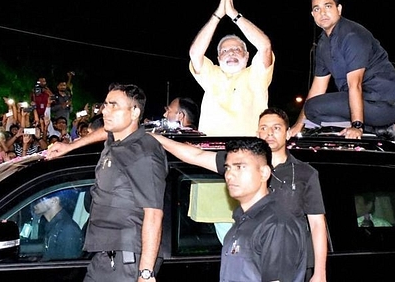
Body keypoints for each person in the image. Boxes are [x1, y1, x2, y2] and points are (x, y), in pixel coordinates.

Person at [149, 107, 328, 282]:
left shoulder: (305, 173)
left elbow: (317, 224)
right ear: (257, 132)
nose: (269, 133)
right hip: (252, 253)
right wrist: (158, 139)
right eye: (264, 128)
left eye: (276, 128)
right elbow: (196, 155)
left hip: (290, 259)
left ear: (288, 133)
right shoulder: (240, 163)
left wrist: (320, 273)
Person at [47, 83, 167, 282]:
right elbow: (105, 132)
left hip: (127, 260)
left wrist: (145, 273)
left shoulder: (144, 152)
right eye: (105, 105)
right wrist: (71, 146)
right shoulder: (118, 139)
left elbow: (154, 214)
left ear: (135, 111)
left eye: (114, 106)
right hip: (105, 256)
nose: (106, 111)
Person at [290, 0, 395, 140]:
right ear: (312, 14)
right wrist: (298, 125)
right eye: (317, 9)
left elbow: (355, 84)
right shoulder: (323, 44)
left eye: (328, 6)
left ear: (339, 9)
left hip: (382, 104)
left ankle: (375, 129)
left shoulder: (352, 35)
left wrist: (357, 126)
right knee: (312, 110)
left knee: (313, 108)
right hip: (361, 102)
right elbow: (317, 87)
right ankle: (374, 130)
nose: (322, 13)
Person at [189, 0, 274, 136]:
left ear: (247, 56)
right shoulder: (212, 75)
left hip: (249, 148)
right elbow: (195, 53)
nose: (231, 53)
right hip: (211, 149)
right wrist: (217, 15)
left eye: (237, 49)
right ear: (218, 58)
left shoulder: (255, 74)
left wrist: (234, 14)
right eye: (225, 51)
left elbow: (265, 46)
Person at [220, 138, 307, 281]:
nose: (229, 175)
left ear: (264, 173)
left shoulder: (277, 225)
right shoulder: (241, 219)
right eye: (227, 168)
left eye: (239, 167)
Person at [31, 190, 83, 261]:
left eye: (40, 198)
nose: (34, 203)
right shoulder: (54, 227)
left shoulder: (67, 229)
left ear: (54, 200)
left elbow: (66, 266)